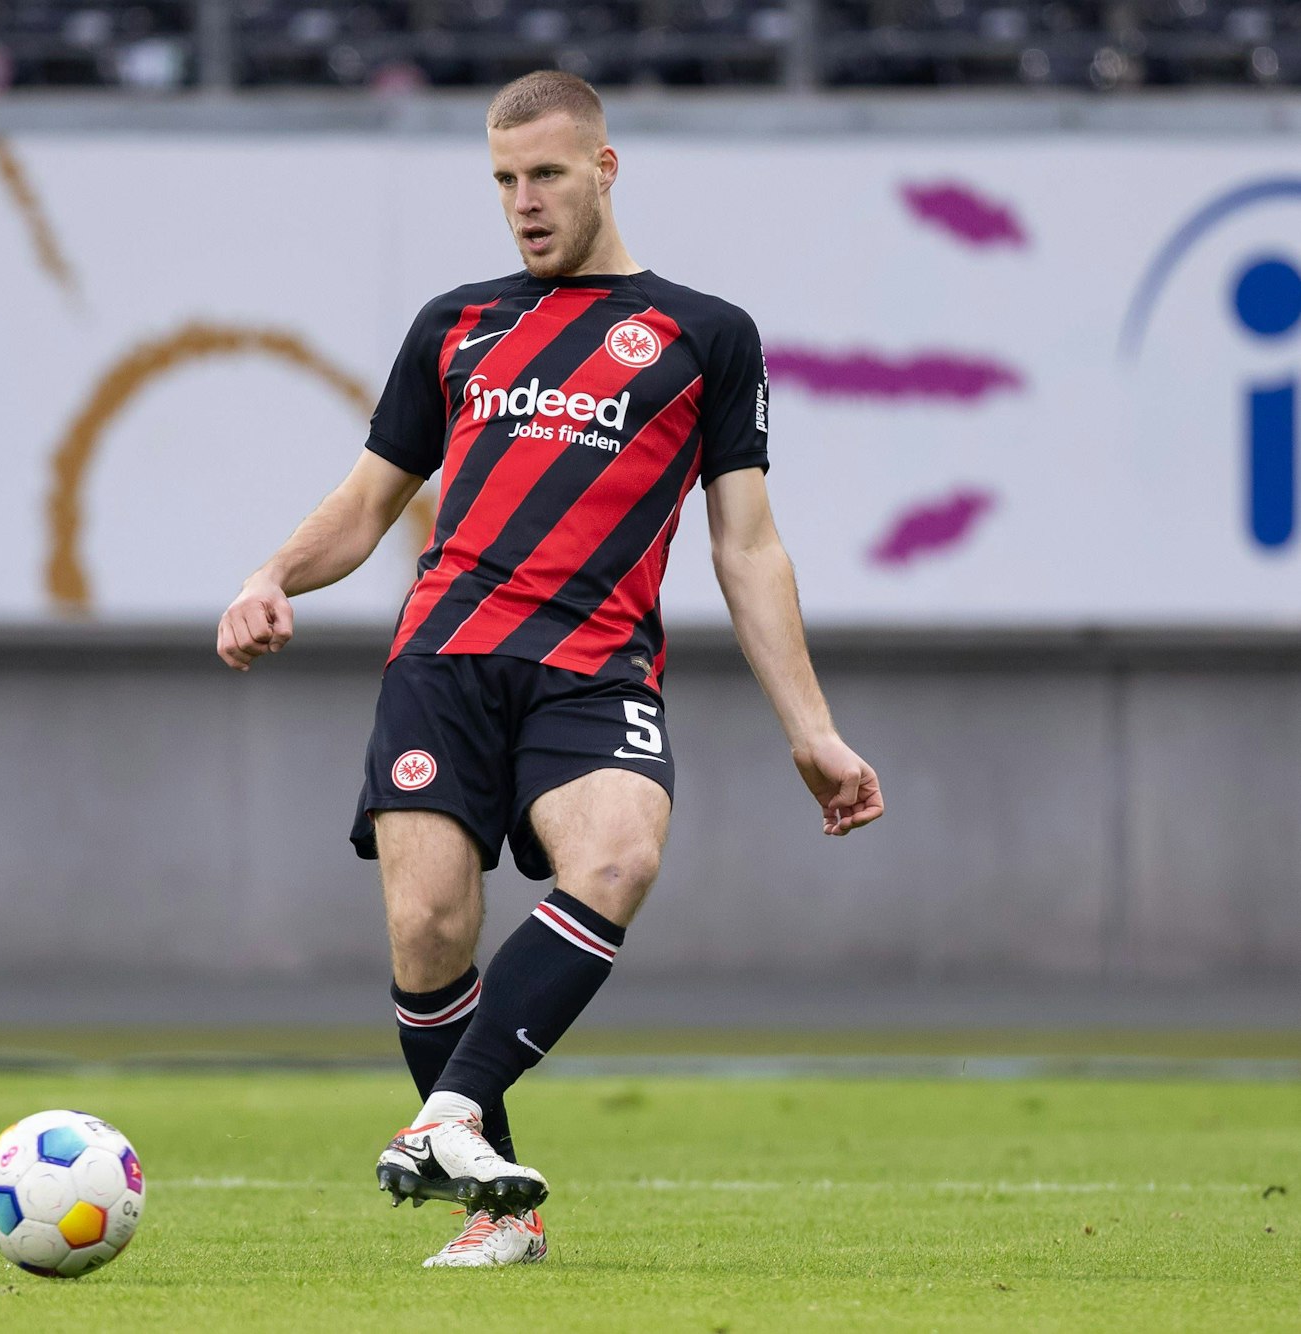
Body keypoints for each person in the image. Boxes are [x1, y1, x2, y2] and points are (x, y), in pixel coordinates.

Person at [216, 69, 884, 1270]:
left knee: (619, 854)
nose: (524, 203)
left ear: (606, 168)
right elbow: (369, 504)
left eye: (547, 176)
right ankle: (503, 1210)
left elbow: (748, 544)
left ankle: (449, 1115)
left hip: (595, 666)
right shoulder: (456, 324)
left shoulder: (704, 335)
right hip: (444, 658)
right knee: (426, 929)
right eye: (505, 181)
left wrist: (812, 729)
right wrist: (272, 572)